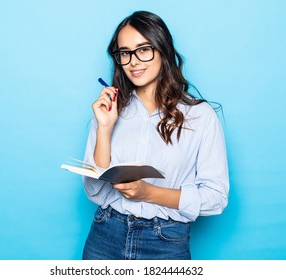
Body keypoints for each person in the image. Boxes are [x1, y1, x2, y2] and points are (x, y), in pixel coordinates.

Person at [82, 11, 229, 260]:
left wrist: (149, 193)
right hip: (105, 235)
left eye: (143, 49)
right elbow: (94, 190)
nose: (133, 62)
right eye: (125, 53)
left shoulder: (200, 116)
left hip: (165, 242)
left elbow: (215, 198)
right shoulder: (110, 110)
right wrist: (105, 128)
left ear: (162, 50)